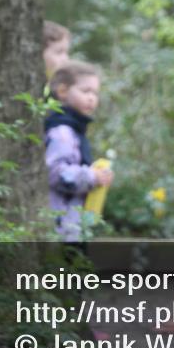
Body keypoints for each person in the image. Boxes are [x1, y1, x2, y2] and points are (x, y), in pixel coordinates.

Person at [45, 60, 114, 245]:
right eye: (85, 91)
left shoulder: (75, 131)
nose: (92, 98)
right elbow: (55, 173)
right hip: (58, 228)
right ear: (63, 91)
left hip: (72, 226)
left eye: (95, 93)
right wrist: (91, 176)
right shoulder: (62, 132)